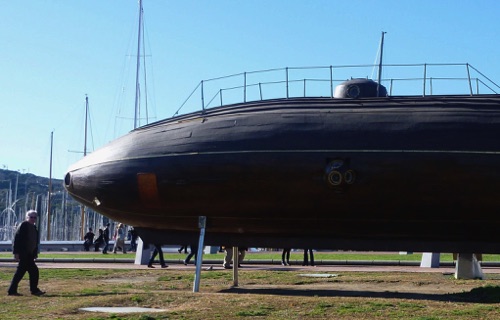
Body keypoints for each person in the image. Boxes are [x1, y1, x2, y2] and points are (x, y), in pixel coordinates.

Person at [8, 210, 45, 296]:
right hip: (24, 254)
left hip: (29, 254)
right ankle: (33, 290)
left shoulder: (34, 228)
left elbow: (34, 242)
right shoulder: (24, 225)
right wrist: (16, 253)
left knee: (23, 272)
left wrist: (35, 253)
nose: (33, 219)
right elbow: (17, 240)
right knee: (32, 272)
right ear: (27, 217)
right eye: (31, 217)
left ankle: (13, 290)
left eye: (34, 217)